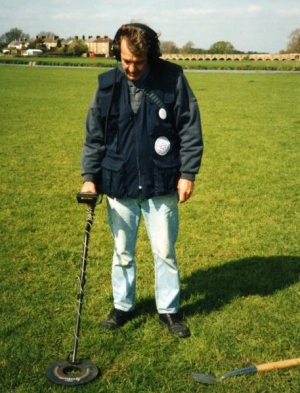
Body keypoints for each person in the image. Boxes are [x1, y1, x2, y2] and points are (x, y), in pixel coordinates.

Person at [80, 22, 203, 338]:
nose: (131, 68)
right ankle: (122, 306)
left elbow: (189, 128)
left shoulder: (172, 79)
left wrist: (187, 174)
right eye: (125, 61)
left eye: (138, 61)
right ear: (116, 54)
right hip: (118, 183)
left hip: (160, 181)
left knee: (164, 250)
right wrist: (89, 179)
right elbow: (95, 137)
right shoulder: (107, 85)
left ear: (152, 54)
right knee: (122, 251)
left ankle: (169, 310)